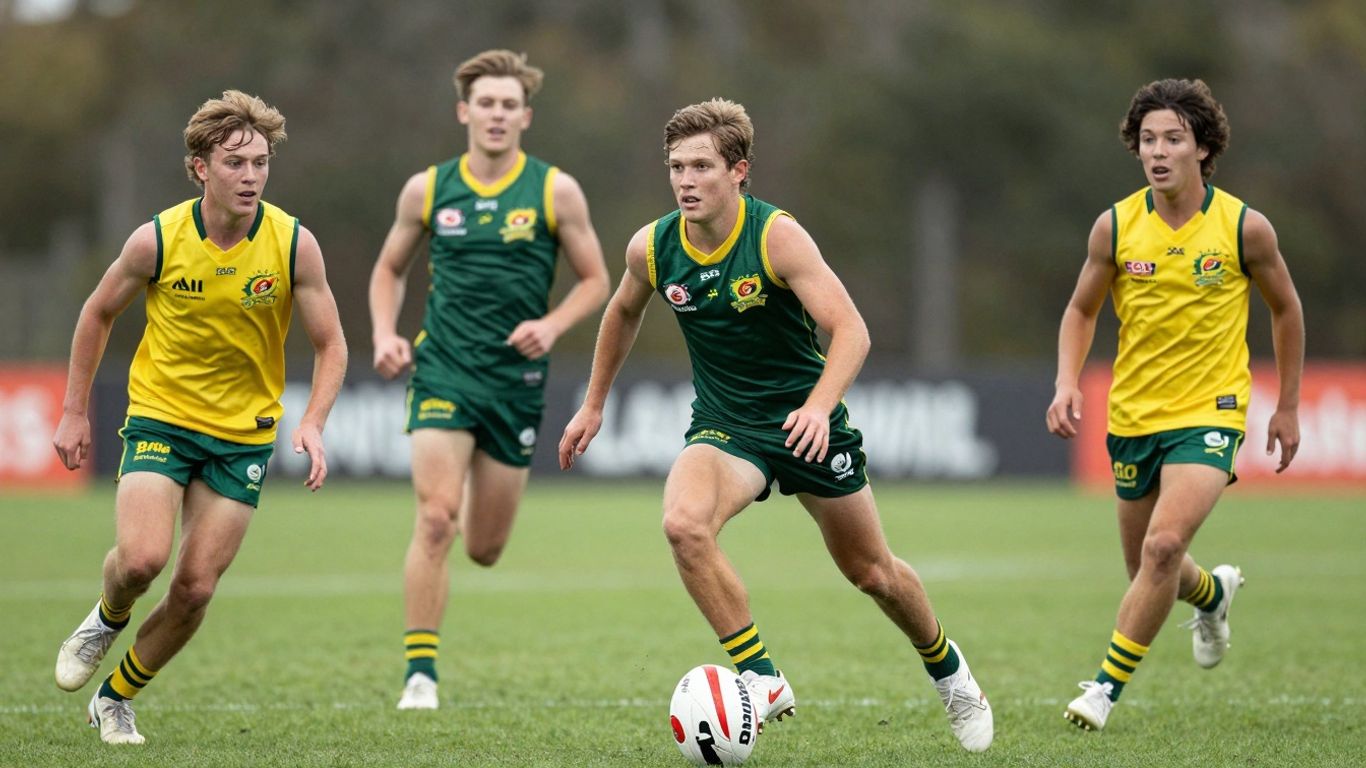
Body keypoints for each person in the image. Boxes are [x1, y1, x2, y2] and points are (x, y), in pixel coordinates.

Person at [559, 98, 994, 753]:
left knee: (873, 573)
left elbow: (851, 330)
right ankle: (762, 678)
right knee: (683, 524)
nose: (685, 179)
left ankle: (949, 672)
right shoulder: (652, 246)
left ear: (739, 171)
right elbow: (622, 312)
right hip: (727, 429)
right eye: (676, 166)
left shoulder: (775, 237)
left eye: (701, 165)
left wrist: (819, 407)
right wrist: (594, 404)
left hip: (806, 426)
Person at [51, 90, 348, 745]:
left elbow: (331, 344)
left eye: (261, 163)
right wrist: (74, 409)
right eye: (235, 163)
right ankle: (108, 615)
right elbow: (98, 312)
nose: (251, 177)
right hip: (162, 416)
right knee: (142, 561)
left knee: (194, 589)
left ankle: (115, 698)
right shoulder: (157, 240)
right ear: (200, 168)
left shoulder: (294, 244)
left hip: (242, 435)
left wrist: (314, 420)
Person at [1046, 78, 1304, 732]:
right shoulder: (1115, 226)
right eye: (1148, 140)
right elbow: (1080, 309)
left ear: (1202, 148)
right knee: (1149, 569)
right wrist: (1066, 381)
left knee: (1162, 548)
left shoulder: (1245, 228)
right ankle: (1212, 595)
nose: (1157, 151)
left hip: (1211, 411)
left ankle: (1102, 689)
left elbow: (1287, 310)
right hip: (1134, 414)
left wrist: (1288, 406)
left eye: (1173, 139)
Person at [369, 49, 609, 710]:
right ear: (464, 111)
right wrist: (386, 332)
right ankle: (421, 675)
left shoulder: (556, 191)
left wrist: (554, 326)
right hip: (443, 368)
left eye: (509, 105)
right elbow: (389, 269)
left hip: (515, 385)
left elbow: (597, 281)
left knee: (484, 549)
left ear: (525, 116)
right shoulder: (427, 188)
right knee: (435, 518)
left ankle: (473, 496)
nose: (497, 114)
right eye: (486, 103)